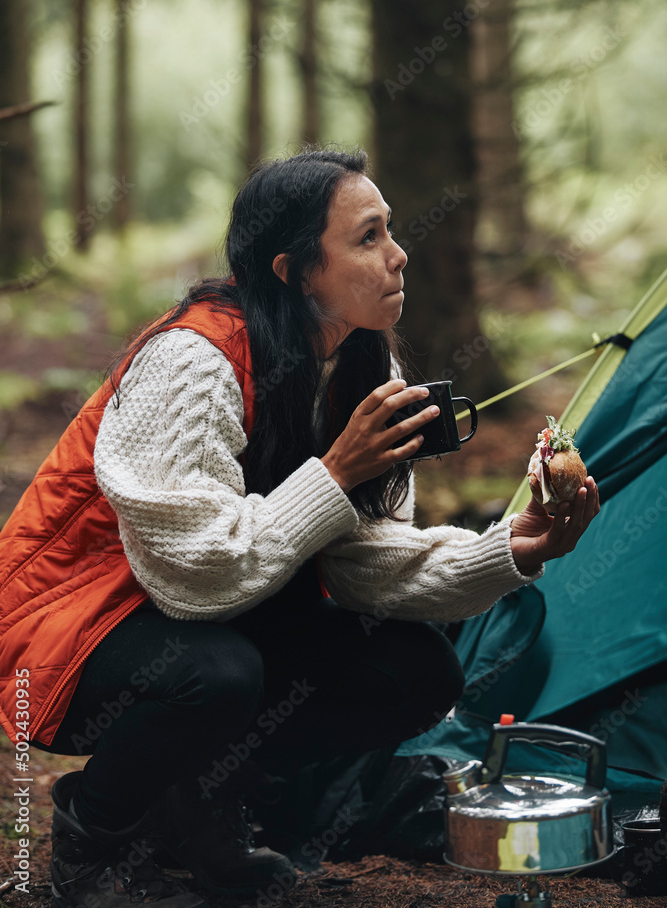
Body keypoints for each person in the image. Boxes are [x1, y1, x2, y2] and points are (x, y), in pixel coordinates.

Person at [0, 148, 599, 908]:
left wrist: (506, 551)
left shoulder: (362, 363)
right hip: (67, 624)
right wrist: (337, 470)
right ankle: (93, 837)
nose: (398, 254)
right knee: (217, 674)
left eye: (391, 231)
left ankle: (191, 801)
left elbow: (362, 564)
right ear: (292, 270)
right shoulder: (191, 360)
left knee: (414, 671)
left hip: (200, 616)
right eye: (368, 237)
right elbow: (196, 574)